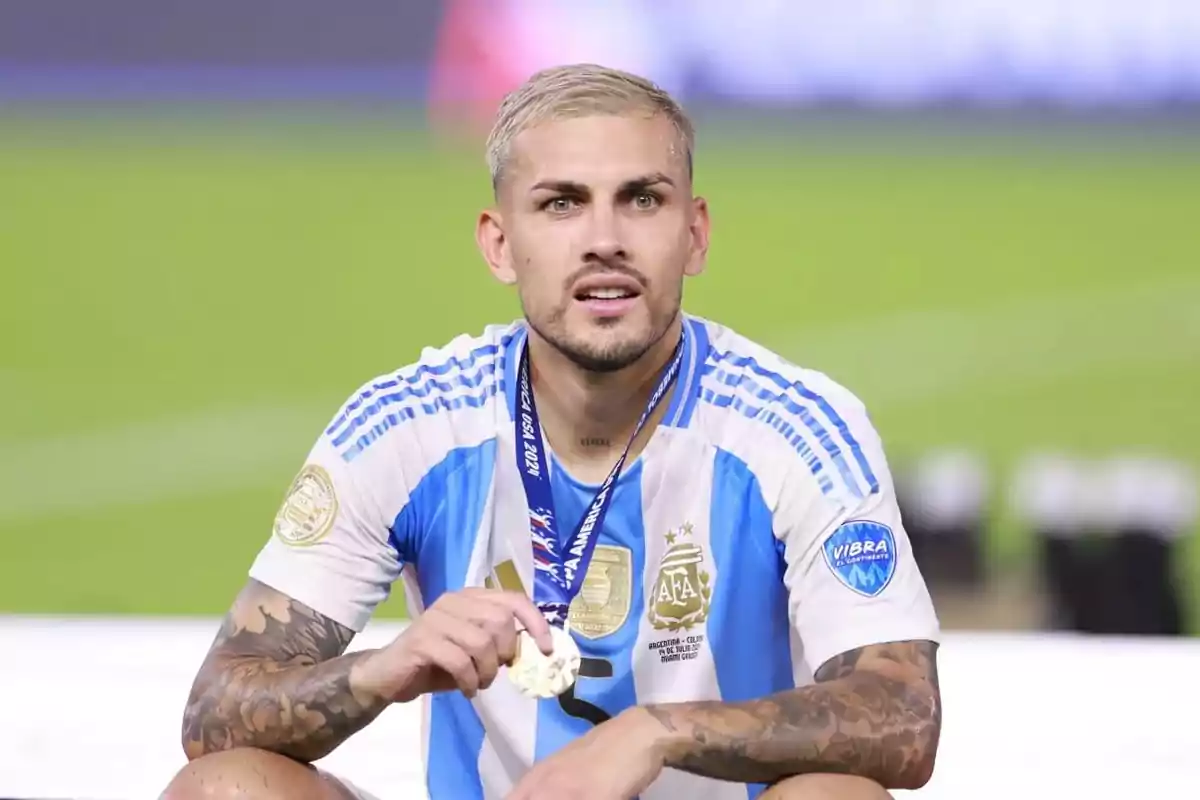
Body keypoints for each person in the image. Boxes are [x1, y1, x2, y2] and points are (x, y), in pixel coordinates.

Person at [162, 63, 942, 800]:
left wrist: (657, 733)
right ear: (500, 243)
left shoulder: (795, 427)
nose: (605, 238)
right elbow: (216, 710)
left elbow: (905, 715)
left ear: (695, 234)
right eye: (561, 203)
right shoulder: (409, 425)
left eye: (642, 199)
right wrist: (385, 668)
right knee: (225, 788)